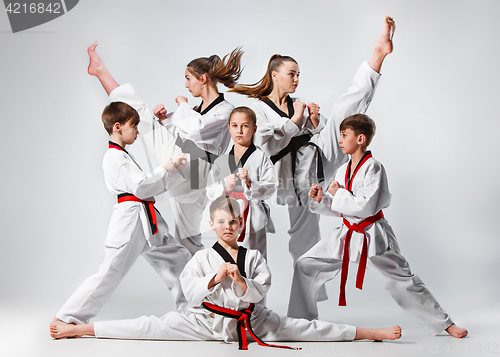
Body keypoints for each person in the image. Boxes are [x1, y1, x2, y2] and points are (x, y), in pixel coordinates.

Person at [50, 196, 402, 348]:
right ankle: (79, 328)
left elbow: (260, 289)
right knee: (149, 325)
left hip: (252, 319)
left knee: (307, 329)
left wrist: (240, 282)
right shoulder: (203, 258)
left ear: (240, 223)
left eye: (233, 221)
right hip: (204, 321)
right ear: (212, 225)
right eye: (221, 222)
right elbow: (189, 292)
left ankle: (373, 332)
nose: (228, 227)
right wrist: (215, 279)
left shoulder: (254, 257)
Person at [230, 17, 396, 269]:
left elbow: (328, 132)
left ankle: (378, 55)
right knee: (304, 240)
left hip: (318, 160)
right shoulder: (257, 109)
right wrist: (296, 121)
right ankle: (304, 306)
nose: (296, 79)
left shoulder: (299, 103)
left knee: (344, 109)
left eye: (298, 74)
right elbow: (265, 147)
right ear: (275, 75)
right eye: (291, 74)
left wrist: (316, 122)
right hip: (291, 177)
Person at [287, 114, 468, 339]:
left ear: (360, 138)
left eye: (344, 135)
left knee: (402, 281)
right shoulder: (343, 170)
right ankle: (299, 321)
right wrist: (321, 199)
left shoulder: (374, 168)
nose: (340, 140)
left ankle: (445, 324)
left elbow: (365, 206)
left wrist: (337, 193)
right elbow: (341, 208)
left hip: (371, 235)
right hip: (346, 233)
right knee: (305, 264)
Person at [87, 41, 243, 255]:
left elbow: (196, 129)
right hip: (186, 171)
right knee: (188, 241)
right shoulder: (198, 109)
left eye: (188, 79)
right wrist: (162, 119)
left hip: (196, 171)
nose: (187, 85)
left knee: (141, 116)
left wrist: (181, 105)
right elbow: (184, 128)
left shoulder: (226, 110)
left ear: (203, 79)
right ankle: (202, 282)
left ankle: (100, 71)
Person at [50, 102, 192, 332]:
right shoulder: (113, 157)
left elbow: (149, 187)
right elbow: (142, 187)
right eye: (133, 126)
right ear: (117, 127)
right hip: (132, 219)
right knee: (111, 270)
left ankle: (192, 310)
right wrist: (166, 168)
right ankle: (67, 317)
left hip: (147, 219)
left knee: (179, 259)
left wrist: (173, 168)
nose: (136, 131)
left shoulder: (123, 155)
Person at [207, 107, 278, 260]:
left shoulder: (260, 157)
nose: (239, 130)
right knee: (227, 258)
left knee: (254, 258)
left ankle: (254, 283)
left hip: (252, 215)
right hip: (226, 213)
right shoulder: (222, 159)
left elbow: (272, 185)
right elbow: (210, 188)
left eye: (245, 126)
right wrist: (225, 187)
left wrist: (250, 182)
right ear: (229, 128)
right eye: (234, 125)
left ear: (254, 129)